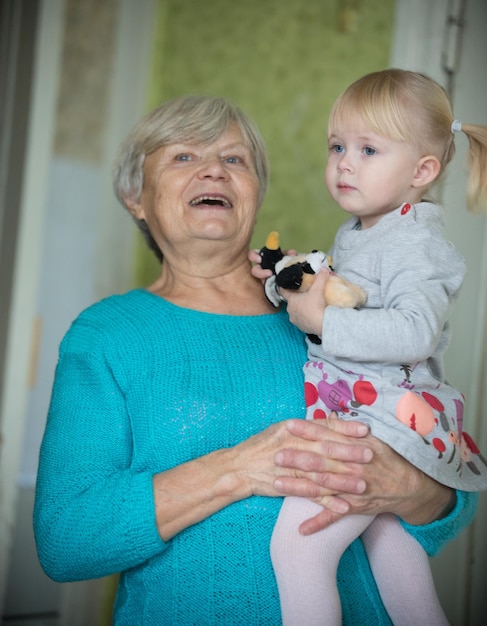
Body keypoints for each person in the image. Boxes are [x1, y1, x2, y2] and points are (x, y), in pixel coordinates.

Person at [33, 94, 478, 626]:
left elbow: (447, 489)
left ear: (255, 192)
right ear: (136, 196)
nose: (214, 172)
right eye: (183, 157)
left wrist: (410, 489)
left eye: (234, 159)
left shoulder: (320, 306)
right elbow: (66, 537)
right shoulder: (107, 335)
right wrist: (236, 470)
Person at [261, 69, 487, 626]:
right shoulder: (362, 229)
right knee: (396, 562)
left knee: (298, 548)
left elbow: (415, 331)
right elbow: (342, 293)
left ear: (422, 171)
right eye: (337, 146)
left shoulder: (417, 242)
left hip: (384, 414)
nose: (344, 162)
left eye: (367, 149)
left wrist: (324, 322)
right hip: (368, 408)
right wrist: (287, 280)